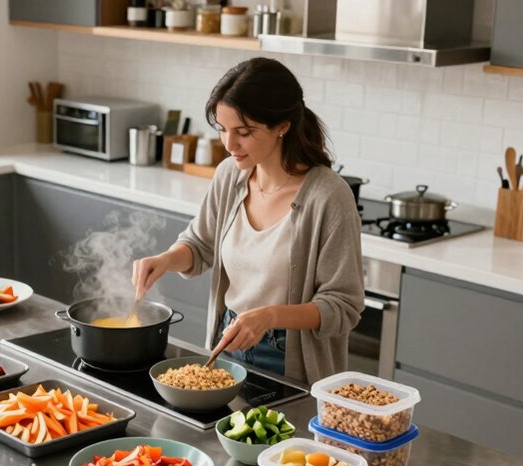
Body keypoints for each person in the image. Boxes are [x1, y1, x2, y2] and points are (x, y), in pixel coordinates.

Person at [132, 58, 363, 384]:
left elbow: (343, 306)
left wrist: (269, 317)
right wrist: (167, 259)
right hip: (227, 343)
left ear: (282, 126)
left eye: (244, 132)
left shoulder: (328, 196)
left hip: (289, 359)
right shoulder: (231, 174)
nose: (229, 144)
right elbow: (200, 244)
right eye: (223, 130)